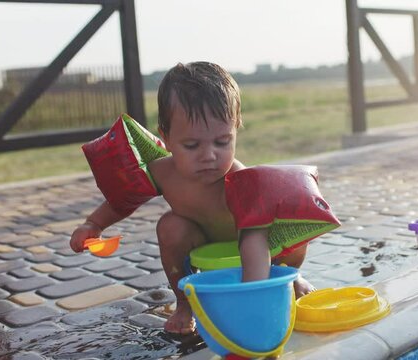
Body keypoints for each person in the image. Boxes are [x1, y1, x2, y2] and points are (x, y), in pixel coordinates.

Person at [69, 61, 315, 335]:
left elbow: (254, 240)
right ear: (167, 137)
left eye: (222, 142)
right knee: (170, 226)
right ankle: (185, 302)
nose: (209, 155)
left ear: (236, 130)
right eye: (191, 145)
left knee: (292, 234)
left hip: (256, 242)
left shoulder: (239, 180)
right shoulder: (162, 172)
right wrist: (93, 225)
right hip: (203, 244)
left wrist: (253, 298)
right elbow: (123, 199)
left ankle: (286, 279)